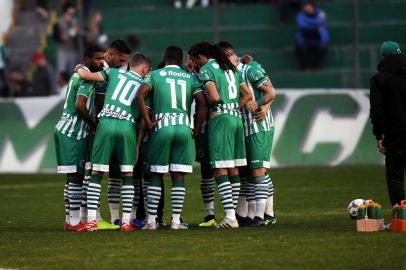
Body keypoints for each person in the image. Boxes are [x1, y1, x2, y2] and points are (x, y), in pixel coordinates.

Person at [76, 53, 151, 232]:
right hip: (127, 126)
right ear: (143, 69)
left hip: (106, 123)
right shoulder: (145, 82)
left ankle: (92, 221)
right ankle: (126, 222)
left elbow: (86, 76)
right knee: (127, 174)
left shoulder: (114, 73)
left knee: (97, 173)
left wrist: (79, 67)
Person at [136, 46, 208, 230]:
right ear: (181, 59)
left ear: (165, 58)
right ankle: (176, 221)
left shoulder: (155, 75)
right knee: (178, 177)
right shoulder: (190, 77)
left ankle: (152, 221)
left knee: (156, 174)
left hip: (162, 125)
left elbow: (140, 95)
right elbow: (202, 103)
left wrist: (148, 121)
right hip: (184, 127)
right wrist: (196, 129)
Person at [188, 41, 252, 228]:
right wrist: (233, 107)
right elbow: (247, 95)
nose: (195, 64)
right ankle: (231, 215)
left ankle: (231, 218)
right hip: (236, 119)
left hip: (221, 120)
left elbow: (214, 98)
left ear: (201, 57)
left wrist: (208, 101)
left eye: (194, 60)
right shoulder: (230, 67)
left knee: (219, 169)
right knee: (233, 168)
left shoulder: (207, 70)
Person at [217, 41, 277, 226]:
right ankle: (250, 216)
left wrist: (261, 104)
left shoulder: (249, 68)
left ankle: (262, 216)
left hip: (258, 125)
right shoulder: (227, 74)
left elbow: (270, 91)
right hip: (241, 126)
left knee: (258, 171)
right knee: (247, 173)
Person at [54, 45, 104, 231]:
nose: (101, 62)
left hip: (65, 128)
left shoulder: (79, 74)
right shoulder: (87, 79)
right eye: (98, 59)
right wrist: (92, 123)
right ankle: (74, 223)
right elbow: (80, 105)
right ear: (87, 58)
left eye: (102, 58)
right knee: (76, 177)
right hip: (73, 131)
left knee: (71, 178)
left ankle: (70, 220)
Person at [370, 41, 406, 207]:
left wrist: (379, 134)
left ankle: (401, 212)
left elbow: (377, 110)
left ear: (383, 57)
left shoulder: (379, 79)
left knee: (395, 175)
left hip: (395, 133)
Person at [295, 0, 329, 70]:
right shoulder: (300, 14)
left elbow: (323, 21)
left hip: (318, 39)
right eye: (304, 6)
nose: (306, 7)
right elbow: (301, 25)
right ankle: (305, 68)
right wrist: (316, 24)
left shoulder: (320, 12)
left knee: (322, 48)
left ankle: (316, 67)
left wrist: (307, 21)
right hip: (305, 40)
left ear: (312, 6)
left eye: (307, 5)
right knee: (300, 48)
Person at [55, 2, 79, 76]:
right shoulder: (60, 21)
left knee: (72, 73)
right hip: (62, 50)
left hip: (72, 50)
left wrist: (74, 32)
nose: (74, 10)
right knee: (61, 71)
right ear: (68, 9)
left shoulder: (74, 21)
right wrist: (72, 32)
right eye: (72, 8)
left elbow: (77, 34)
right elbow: (62, 38)